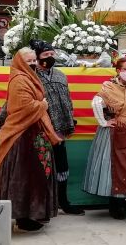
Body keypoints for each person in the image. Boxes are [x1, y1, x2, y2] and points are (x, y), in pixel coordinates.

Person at [0, 47, 61, 232]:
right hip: (22, 136)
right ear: (20, 62)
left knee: (35, 177)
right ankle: (24, 217)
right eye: (28, 61)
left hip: (33, 134)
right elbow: (24, 106)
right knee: (24, 178)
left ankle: (32, 215)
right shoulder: (20, 80)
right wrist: (42, 105)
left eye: (33, 60)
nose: (32, 64)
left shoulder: (28, 77)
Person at [83, 57, 126, 219]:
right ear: (118, 70)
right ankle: (117, 205)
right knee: (118, 167)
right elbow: (96, 102)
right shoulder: (109, 86)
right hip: (118, 132)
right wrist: (103, 122)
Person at [30, 40, 84, 216]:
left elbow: (67, 100)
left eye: (52, 54)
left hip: (60, 129)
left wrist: (70, 121)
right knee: (41, 168)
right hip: (40, 131)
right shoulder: (31, 77)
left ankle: (63, 201)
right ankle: (42, 204)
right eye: (46, 55)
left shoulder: (61, 75)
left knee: (62, 167)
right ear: (37, 57)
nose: (50, 57)